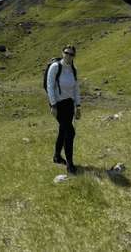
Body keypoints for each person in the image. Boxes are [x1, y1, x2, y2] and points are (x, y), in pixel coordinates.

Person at [47, 44, 81, 174]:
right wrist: (53, 105)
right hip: (58, 105)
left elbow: (76, 88)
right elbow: (50, 87)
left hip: (69, 105)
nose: (68, 56)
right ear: (62, 53)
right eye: (66, 53)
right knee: (70, 132)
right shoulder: (55, 67)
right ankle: (70, 164)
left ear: (74, 56)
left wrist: (78, 106)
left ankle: (56, 156)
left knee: (63, 130)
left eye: (71, 54)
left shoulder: (73, 69)